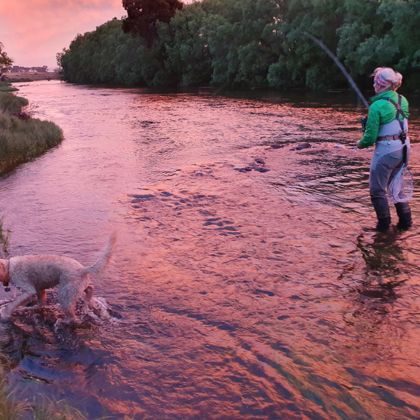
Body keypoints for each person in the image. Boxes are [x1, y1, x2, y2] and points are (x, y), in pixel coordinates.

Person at [357, 67, 412, 232]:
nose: (374, 84)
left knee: (377, 191)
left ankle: (383, 227)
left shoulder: (377, 106)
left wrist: (359, 143)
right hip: (404, 149)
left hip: (387, 152)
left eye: (375, 81)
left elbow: (370, 138)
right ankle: (405, 223)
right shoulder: (403, 99)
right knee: (396, 188)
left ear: (380, 85)